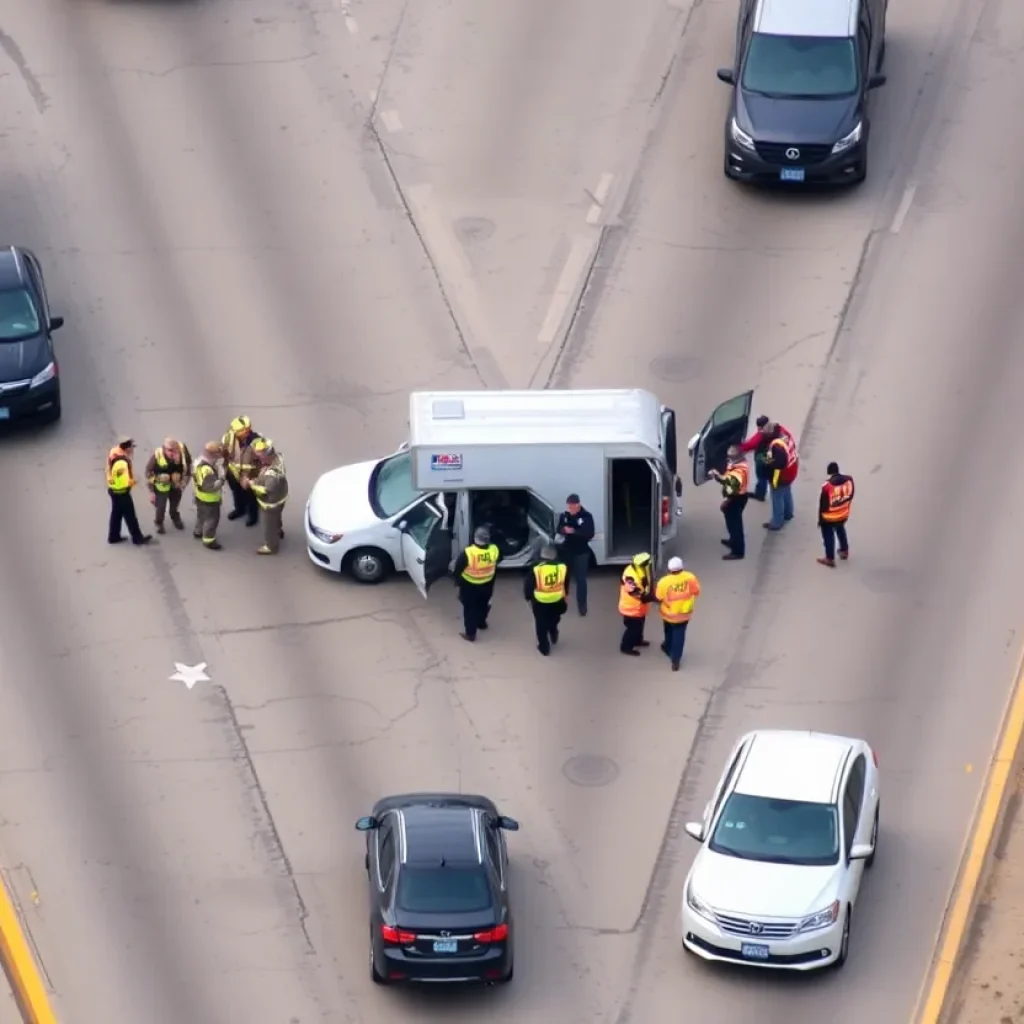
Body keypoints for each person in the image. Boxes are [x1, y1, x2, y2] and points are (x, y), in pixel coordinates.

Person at [452, 527, 500, 641]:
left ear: (475, 538)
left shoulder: (469, 552)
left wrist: (457, 582)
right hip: (487, 584)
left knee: (469, 610)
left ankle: (470, 634)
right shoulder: (494, 549)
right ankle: (481, 623)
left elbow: (458, 568)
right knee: (484, 604)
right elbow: (499, 559)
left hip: (470, 586)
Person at [654, 556, 701, 670]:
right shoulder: (690, 577)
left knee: (668, 631)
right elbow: (696, 591)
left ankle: (667, 647)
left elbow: (658, 597)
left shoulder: (664, 582)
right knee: (679, 636)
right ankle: (676, 660)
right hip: (684, 614)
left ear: (669, 569)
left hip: (668, 613)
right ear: (682, 568)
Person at [738, 415, 799, 502]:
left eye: (760, 429)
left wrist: (737, 449)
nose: (760, 431)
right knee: (769, 478)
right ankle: (762, 492)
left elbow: (750, 445)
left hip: (767, 459)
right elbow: (790, 439)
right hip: (778, 460)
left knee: (762, 476)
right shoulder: (780, 429)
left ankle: (760, 494)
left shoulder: (762, 435)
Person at [106, 437, 151, 546]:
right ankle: (137, 538)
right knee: (130, 516)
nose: (133, 449)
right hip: (121, 492)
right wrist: (135, 482)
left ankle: (113, 536)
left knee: (116, 514)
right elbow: (123, 481)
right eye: (132, 447)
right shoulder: (121, 462)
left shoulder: (115, 451)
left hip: (113, 489)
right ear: (127, 448)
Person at [524, 544, 568, 656]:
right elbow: (565, 583)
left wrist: (528, 597)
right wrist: (565, 594)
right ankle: (553, 633)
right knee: (554, 619)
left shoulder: (536, 568)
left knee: (540, 624)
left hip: (540, 601)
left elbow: (529, 585)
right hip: (557, 599)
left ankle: (544, 648)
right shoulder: (562, 567)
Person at [557, 493, 595, 616]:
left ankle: (582, 605)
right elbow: (559, 528)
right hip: (567, 551)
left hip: (581, 552)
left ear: (578, 505)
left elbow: (589, 533)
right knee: (564, 577)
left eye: (572, 506)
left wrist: (574, 531)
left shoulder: (586, 517)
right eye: (569, 506)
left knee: (581, 580)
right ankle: (562, 601)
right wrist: (564, 530)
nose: (570, 509)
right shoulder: (564, 515)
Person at [145, 437, 193, 534]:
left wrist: (183, 484)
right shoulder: (157, 456)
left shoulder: (183, 454)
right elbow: (148, 473)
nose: (172, 453)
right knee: (160, 507)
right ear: (164, 448)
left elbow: (188, 470)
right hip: (161, 487)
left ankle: (175, 517)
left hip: (176, 486)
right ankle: (159, 523)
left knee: (174, 505)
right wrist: (153, 489)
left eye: (174, 450)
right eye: (169, 451)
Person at [221, 415, 263, 526]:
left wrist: (251, 477)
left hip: (250, 475)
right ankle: (240, 510)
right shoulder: (229, 438)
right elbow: (225, 454)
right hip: (233, 473)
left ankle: (253, 516)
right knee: (237, 493)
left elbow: (262, 462)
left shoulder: (257, 442)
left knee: (251, 496)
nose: (235, 433)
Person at [249, 439, 288, 555]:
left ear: (267, 455)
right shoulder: (278, 458)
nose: (259, 460)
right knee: (277, 518)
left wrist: (252, 485)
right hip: (281, 496)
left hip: (271, 503)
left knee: (269, 525)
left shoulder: (272, 475)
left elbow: (266, 490)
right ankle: (279, 531)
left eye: (261, 457)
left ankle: (271, 546)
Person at [710, 446, 749, 560]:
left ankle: (738, 551)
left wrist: (717, 476)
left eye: (730, 455)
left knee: (735, 525)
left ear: (737, 456)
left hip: (736, 498)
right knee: (731, 521)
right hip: (737, 497)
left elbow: (732, 487)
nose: (728, 457)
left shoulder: (739, 471)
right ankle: (733, 540)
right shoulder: (738, 464)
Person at [817, 461, 855, 567]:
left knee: (828, 536)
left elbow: (823, 505)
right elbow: (851, 495)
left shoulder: (827, 486)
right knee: (840, 529)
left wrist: (820, 520)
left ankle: (829, 558)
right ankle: (844, 550)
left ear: (829, 473)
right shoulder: (849, 480)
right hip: (843, 513)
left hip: (830, 516)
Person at [192, 442, 226, 550]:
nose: (219, 455)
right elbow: (211, 487)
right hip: (209, 500)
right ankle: (209, 540)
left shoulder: (198, 462)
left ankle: (198, 531)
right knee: (211, 519)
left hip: (199, 496)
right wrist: (221, 479)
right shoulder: (207, 470)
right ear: (213, 454)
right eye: (218, 453)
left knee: (201, 515)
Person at [619, 552, 654, 656]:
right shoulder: (630, 577)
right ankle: (626, 647)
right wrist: (654, 598)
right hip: (631, 608)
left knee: (640, 626)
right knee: (633, 629)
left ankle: (638, 640)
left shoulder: (638, 569)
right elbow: (636, 593)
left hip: (639, 608)